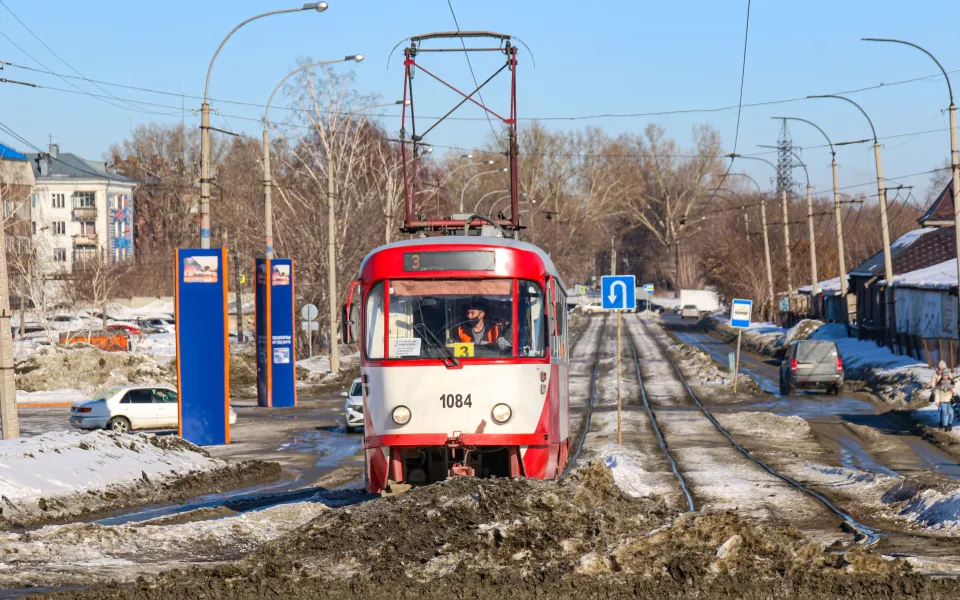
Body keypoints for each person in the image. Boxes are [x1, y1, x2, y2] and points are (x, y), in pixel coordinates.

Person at [931, 360, 956, 432]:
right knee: (942, 411)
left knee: (949, 412)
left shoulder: (947, 373)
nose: (941, 369)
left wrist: (950, 388)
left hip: (948, 397)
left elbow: (951, 381)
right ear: (938, 368)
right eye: (940, 368)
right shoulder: (936, 374)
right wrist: (936, 387)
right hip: (940, 394)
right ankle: (943, 423)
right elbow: (933, 383)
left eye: (943, 368)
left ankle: (947, 423)